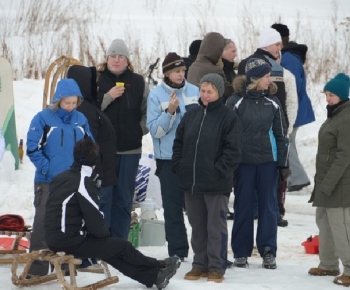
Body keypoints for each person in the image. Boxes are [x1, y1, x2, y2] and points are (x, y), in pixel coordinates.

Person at [44, 137, 180, 290]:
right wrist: (104, 236)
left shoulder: (61, 177)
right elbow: (95, 218)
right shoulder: (83, 182)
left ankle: (154, 276)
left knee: (110, 250)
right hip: (69, 240)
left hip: (53, 237)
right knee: (120, 246)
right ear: (95, 160)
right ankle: (158, 264)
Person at [172, 73, 242, 283]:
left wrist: (217, 170)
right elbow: (179, 142)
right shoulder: (191, 114)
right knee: (197, 226)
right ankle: (199, 265)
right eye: (202, 91)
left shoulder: (228, 117)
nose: (205, 95)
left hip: (215, 183)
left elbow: (234, 151)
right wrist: (179, 165)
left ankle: (216, 266)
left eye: (209, 91)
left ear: (218, 93)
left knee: (215, 227)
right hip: (192, 183)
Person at [26, 78, 93, 277]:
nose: (71, 107)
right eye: (67, 103)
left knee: (70, 224)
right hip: (48, 181)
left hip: (72, 181)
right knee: (43, 224)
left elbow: (89, 147)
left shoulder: (81, 119)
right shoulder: (43, 118)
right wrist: (49, 170)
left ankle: (66, 266)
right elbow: (32, 148)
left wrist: (83, 169)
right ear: (58, 101)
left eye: (74, 103)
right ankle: (36, 269)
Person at [226, 58, 289, 269]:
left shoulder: (273, 102)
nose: (270, 80)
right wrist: (230, 164)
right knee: (243, 207)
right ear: (254, 78)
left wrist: (283, 165)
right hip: (243, 164)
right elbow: (226, 135)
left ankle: (268, 250)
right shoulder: (235, 102)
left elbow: (281, 135)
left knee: (269, 208)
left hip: (267, 163)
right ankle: (241, 252)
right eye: (266, 76)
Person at [147, 52, 199, 260]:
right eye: (176, 71)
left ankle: (203, 251)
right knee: (172, 208)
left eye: (183, 70)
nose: (181, 74)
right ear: (167, 73)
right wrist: (169, 112)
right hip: (168, 159)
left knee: (198, 209)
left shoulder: (195, 91)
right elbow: (156, 132)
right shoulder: (156, 95)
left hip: (193, 158)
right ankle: (178, 252)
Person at [238, 27, 292, 227]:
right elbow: (282, 98)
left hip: (264, 137)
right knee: (267, 192)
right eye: (277, 44)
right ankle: (272, 213)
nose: (280, 48)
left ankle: (263, 216)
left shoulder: (263, 64)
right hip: (259, 141)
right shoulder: (268, 66)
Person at [97, 39, 149, 240]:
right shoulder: (97, 80)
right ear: (107, 59)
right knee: (104, 198)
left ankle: (119, 243)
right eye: (112, 56)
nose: (116, 60)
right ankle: (101, 242)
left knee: (124, 199)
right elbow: (90, 111)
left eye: (121, 56)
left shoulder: (138, 82)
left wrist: (139, 130)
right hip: (103, 152)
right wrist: (108, 96)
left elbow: (147, 112)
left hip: (130, 150)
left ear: (127, 61)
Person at [67, 65, 117, 272]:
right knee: (91, 215)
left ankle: (88, 256)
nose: (96, 85)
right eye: (92, 81)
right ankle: (85, 258)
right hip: (94, 173)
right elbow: (89, 145)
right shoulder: (84, 110)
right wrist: (95, 172)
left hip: (99, 170)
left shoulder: (88, 106)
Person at [308, 73, 350, 286]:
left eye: (331, 95)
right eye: (326, 94)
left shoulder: (346, 117)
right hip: (325, 182)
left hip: (339, 184)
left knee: (340, 226)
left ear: (342, 96)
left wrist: (330, 183)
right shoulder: (335, 114)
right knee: (324, 222)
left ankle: (349, 269)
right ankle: (328, 263)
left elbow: (344, 155)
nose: (327, 99)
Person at [272, 23, 315, 192]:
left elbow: (293, 85)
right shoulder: (288, 55)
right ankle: (296, 178)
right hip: (295, 107)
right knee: (288, 143)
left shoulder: (288, 58)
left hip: (294, 108)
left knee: (286, 143)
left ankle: (298, 178)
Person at [187, 32, 233, 101]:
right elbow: (229, 92)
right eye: (221, 50)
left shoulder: (193, 66)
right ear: (217, 50)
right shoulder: (213, 70)